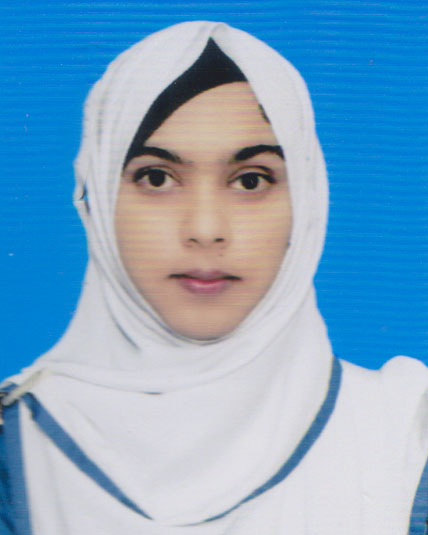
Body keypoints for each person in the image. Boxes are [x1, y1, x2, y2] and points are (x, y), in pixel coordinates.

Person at [0, 20, 427, 535]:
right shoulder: (18, 446)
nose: (205, 229)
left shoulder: (400, 440)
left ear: (307, 202)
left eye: (250, 181)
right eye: (157, 178)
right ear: (100, 203)